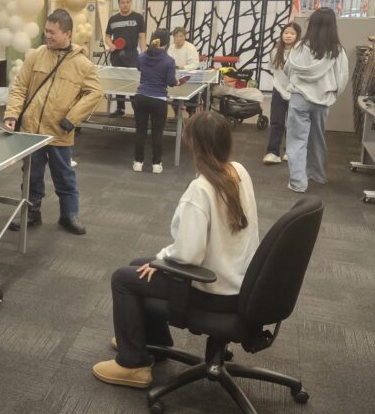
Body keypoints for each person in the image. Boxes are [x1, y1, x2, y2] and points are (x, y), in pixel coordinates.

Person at [92, 111, 259, 388]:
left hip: (212, 291)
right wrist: (158, 261)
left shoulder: (200, 189)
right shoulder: (239, 171)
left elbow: (188, 255)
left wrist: (161, 260)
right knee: (138, 264)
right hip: (238, 281)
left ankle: (133, 365)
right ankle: (152, 341)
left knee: (123, 279)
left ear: (193, 144)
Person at [4, 9, 103, 235]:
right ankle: (31, 212)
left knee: (64, 176)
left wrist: (72, 118)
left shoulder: (82, 64)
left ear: (67, 33)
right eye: (46, 31)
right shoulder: (37, 55)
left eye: (52, 32)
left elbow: (95, 93)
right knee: (31, 175)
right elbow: (19, 87)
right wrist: (11, 115)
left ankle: (69, 215)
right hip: (32, 131)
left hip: (59, 132)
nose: (47, 36)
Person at [285, 7, 350, 193]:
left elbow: (289, 69)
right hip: (322, 101)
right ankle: (317, 175)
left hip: (299, 98)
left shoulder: (299, 47)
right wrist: (332, 95)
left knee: (297, 140)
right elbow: (342, 77)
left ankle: (298, 182)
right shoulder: (337, 50)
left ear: (311, 24)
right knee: (318, 138)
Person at [131, 30, 183, 174]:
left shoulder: (142, 57)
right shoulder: (169, 61)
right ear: (166, 44)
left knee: (140, 131)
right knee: (157, 133)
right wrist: (178, 82)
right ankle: (156, 164)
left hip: (141, 97)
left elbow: (139, 67)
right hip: (158, 100)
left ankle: (138, 162)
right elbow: (171, 82)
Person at [263, 22, 301, 164]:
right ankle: (273, 152)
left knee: (293, 123)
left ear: (297, 36)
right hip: (278, 89)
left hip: (296, 91)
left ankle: (290, 152)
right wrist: (280, 86)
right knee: (276, 121)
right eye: (286, 32)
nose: (288, 35)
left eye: (292, 33)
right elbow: (274, 71)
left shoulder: (301, 52)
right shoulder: (275, 51)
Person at [104, 0, 147, 116]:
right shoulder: (113, 19)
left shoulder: (138, 17)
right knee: (119, 82)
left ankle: (137, 111)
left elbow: (142, 36)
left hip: (131, 54)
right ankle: (120, 109)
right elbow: (107, 36)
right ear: (119, 4)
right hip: (116, 55)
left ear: (130, 3)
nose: (125, 4)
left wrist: (143, 52)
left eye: (127, 2)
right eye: (122, 2)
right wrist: (111, 44)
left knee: (133, 82)